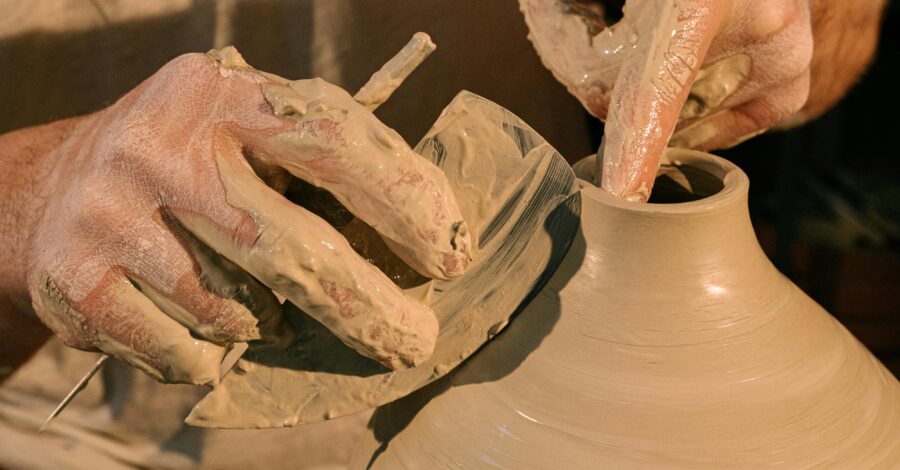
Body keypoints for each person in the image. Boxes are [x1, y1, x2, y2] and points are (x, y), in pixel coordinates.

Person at [0, 1, 885, 468]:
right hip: (71, 428)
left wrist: (793, 20)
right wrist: (35, 199)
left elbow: (835, 45)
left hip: (526, 360)